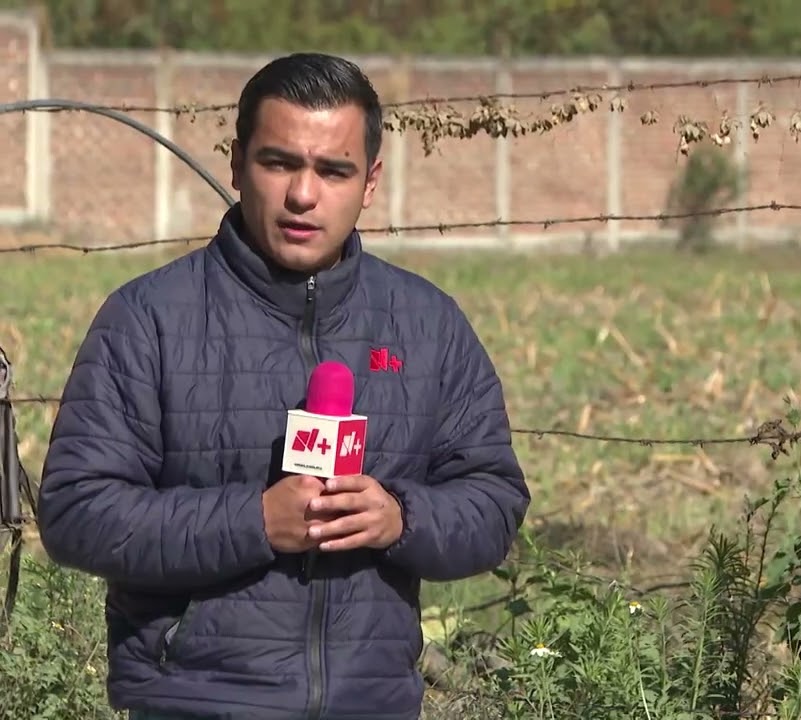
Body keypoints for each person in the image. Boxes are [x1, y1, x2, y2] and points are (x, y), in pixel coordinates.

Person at [36, 53, 531, 720]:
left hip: (373, 704)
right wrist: (254, 521)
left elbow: (494, 503)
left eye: (333, 170)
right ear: (237, 163)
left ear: (371, 181)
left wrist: (399, 518)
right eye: (279, 163)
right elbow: (76, 515)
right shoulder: (149, 320)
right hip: (196, 703)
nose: (304, 194)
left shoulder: (427, 326)